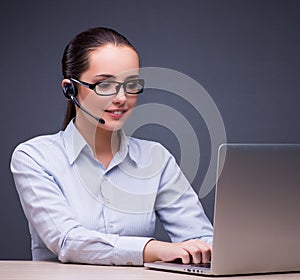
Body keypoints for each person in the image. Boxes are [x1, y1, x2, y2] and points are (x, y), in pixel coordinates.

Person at [10, 27, 213, 266]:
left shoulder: (156, 157)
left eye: (131, 84)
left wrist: (216, 248)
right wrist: (155, 248)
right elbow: (67, 241)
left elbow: (200, 237)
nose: (121, 98)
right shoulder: (35, 157)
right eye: (104, 84)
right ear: (70, 89)